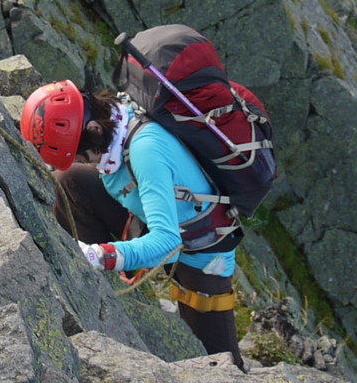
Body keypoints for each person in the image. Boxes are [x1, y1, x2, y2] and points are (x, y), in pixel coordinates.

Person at [21, 81, 246, 367]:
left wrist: (101, 255)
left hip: (199, 250)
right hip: (151, 215)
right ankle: (104, 295)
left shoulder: (145, 149)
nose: (79, 160)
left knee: (218, 361)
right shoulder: (115, 118)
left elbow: (168, 242)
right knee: (71, 180)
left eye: (79, 154)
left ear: (93, 129)